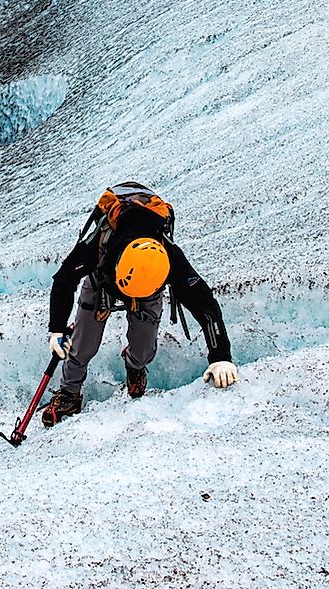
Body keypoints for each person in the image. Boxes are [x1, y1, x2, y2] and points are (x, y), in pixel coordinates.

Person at [41, 181, 238, 426]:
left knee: (144, 348)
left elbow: (204, 304)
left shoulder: (169, 258)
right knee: (83, 345)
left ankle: (135, 365)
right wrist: (57, 329)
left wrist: (221, 356)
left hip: (148, 285)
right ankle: (69, 394)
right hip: (102, 282)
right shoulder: (98, 246)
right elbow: (64, 279)